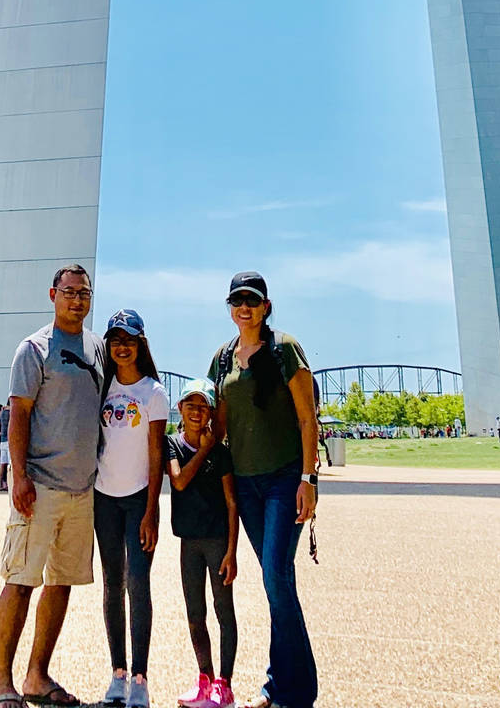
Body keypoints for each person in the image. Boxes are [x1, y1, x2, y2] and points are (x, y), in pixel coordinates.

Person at [0, 263, 105, 708]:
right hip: (39, 486)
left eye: (84, 293)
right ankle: (3, 683)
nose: (77, 300)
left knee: (61, 584)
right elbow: (17, 414)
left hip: (81, 492)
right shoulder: (34, 349)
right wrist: (19, 476)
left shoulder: (98, 349)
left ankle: (37, 676)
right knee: (21, 582)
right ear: (53, 294)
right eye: (69, 292)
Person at [208, 270, 319, 708]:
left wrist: (309, 480)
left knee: (276, 575)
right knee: (277, 581)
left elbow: (308, 417)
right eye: (237, 301)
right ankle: (280, 687)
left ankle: (294, 692)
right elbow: (216, 421)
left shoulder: (285, 348)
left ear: (266, 306)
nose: (244, 307)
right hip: (246, 483)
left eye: (252, 300)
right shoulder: (221, 358)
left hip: (283, 478)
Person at [94, 309, 169, 708]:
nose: (122, 347)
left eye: (130, 339)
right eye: (116, 340)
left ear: (141, 344)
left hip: (139, 497)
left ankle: (140, 676)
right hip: (104, 497)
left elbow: (156, 454)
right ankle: (118, 673)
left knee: (138, 583)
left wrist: (152, 509)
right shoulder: (102, 388)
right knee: (112, 584)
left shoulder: (153, 393)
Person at [167, 379, 238, 708]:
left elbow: (231, 503)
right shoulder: (173, 446)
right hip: (189, 542)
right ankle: (204, 679)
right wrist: (205, 449)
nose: (196, 411)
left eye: (203, 406)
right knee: (195, 613)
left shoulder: (221, 453)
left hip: (217, 541)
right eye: (190, 405)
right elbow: (179, 481)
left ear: (210, 413)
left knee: (224, 610)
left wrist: (232, 552)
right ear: (180, 409)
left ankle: (225, 684)